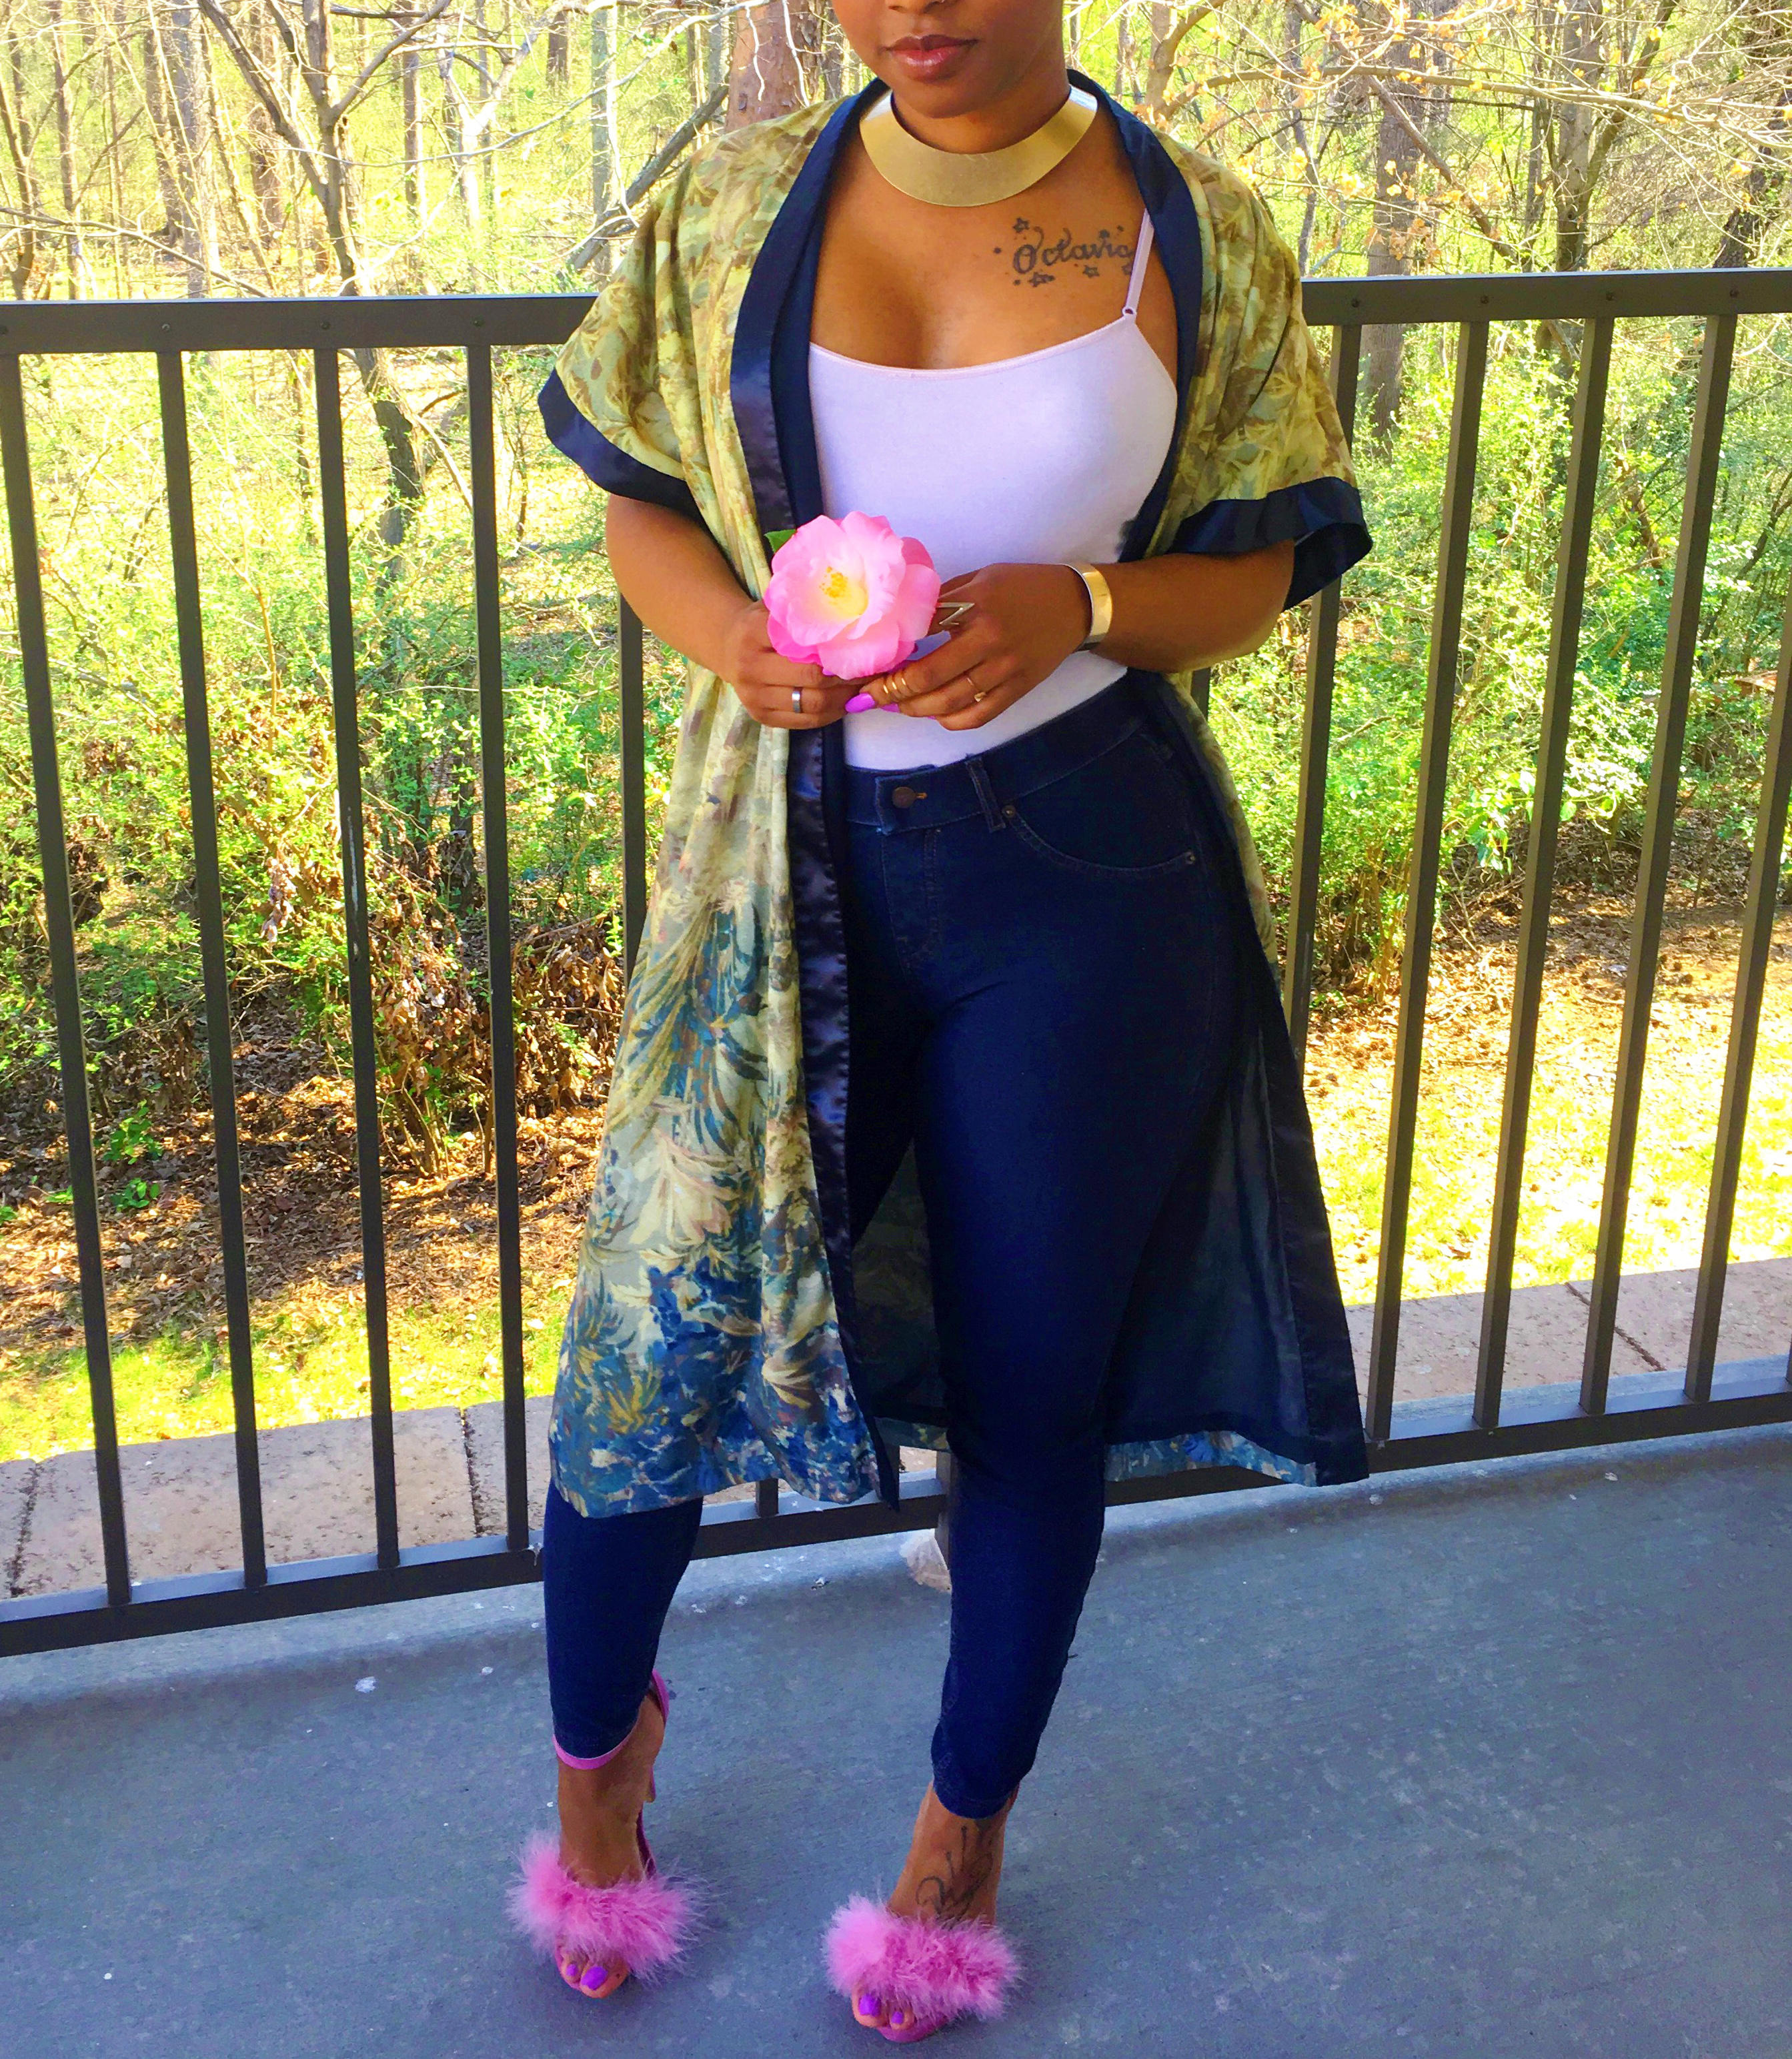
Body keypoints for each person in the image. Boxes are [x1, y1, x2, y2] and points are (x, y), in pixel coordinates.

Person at [511, 0, 1373, 2038]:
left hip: (1084, 883)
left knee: (1033, 1394)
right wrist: (734, 634)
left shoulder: (1191, 227)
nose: (917, 10)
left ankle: (956, 1846)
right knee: (647, 1353)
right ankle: (595, 1778)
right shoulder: (730, 206)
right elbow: (643, 501)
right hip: (777, 870)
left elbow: (1258, 567)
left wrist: (1083, 605)